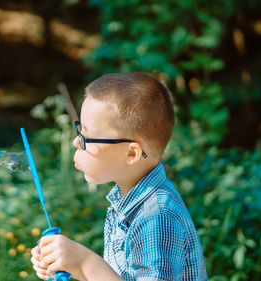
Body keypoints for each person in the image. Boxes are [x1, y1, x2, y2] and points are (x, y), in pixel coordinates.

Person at [30, 72, 207, 281]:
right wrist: (69, 263)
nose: (76, 143)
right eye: (80, 131)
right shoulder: (128, 201)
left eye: (87, 136)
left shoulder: (157, 218)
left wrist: (86, 262)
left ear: (131, 153)